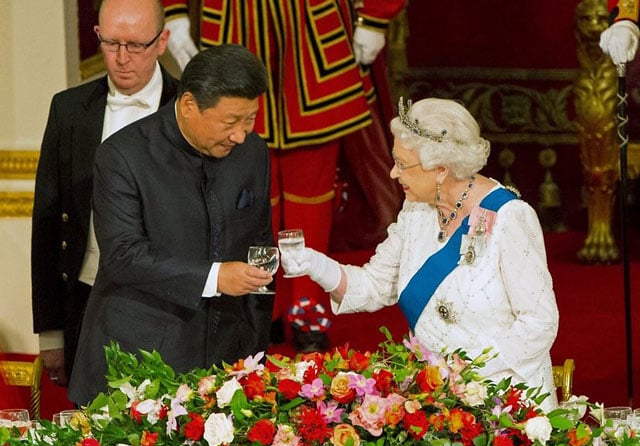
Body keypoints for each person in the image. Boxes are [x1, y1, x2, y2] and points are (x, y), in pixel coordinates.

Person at [280, 97, 560, 411]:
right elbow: (374, 285)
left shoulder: (510, 218)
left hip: (506, 402)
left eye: (402, 164)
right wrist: (315, 263)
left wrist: (469, 373)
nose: (392, 174)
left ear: (440, 169)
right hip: (437, 402)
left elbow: (539, 323)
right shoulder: (416, 210)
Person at [161, 0, 405, 352]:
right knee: (246, 187)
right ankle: (263, 307)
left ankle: (307, 311)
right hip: (234, 23)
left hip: (313, 30)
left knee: (313, 189)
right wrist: (174, 11)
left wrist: (376, 15)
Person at [68, 44, 274, 405]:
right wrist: (213, 277)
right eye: (230, 122)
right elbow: (122, 255)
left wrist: (256, 347)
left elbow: (259, 243)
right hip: (140, 360)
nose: (240, 135)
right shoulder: (122, 156)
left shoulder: (252, 152)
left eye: (250, 120)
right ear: (189, 104)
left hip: (227, 360)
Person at [31, 0, 178, 388]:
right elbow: (47, 219)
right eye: (111, 43)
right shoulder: (69, 110)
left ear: (162, 42)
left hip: (172, 309)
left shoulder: (188, 109)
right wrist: (50, 333)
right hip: (86, 300)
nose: (121, 59)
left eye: (135, 45)